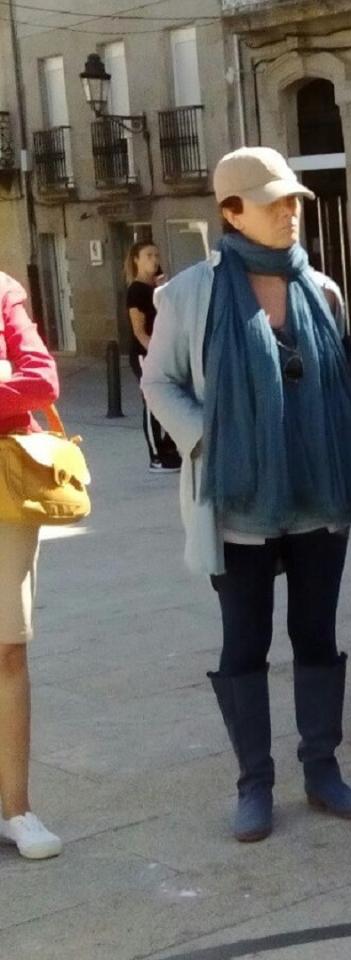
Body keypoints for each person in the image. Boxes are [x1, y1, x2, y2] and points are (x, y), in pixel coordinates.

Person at [142, 146, 351, 842]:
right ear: (231, 211)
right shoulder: (189, 293)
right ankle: (254, 783)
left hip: (317, 491)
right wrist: (210, 442)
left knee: (317, 633)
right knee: (244, 640)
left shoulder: (322, 290)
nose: (289, 214)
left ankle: (322, 768)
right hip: (238, 499)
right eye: (273, 203)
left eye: (294, 201)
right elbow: (159, 382)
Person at [0, 271, 63, 860]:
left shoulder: (1, 291)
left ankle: (17, 809)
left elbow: (41, 380)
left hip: (6, 489)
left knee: (7, 647)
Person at [125, 241, 181, 473]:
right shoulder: (136, 290)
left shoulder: (157, 288)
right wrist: (154, 353)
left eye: (156, 255)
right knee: (151, 404)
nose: (154, 260)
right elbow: (139, 330)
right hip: (145, 354)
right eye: (148, 255)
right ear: (137, 259)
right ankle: (156, 457)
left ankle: (169, 450)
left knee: (172, 401)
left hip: (164, 351)